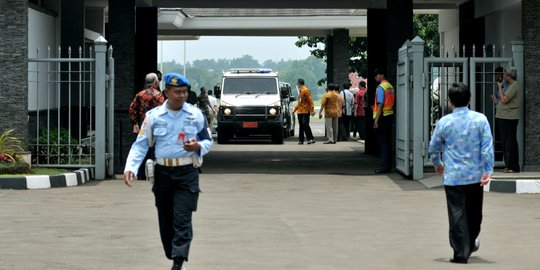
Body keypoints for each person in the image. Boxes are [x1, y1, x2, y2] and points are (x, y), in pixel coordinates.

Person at [123, 72, 214, 270]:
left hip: (187, 173)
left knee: (183, 217)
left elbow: (208, 141)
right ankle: (172, 252)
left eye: (184, 92)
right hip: (163, 173)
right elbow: (140, 145)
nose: (182, 96)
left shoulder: (195, 114)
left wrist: (197, 146)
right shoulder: (153, 117)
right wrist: (131, 167)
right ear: (166, 92)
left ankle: (179, 259)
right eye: (177, 92)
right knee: (166, 220)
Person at [429, 82, 493, 264]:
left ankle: (461, 250)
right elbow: (487, 147)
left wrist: (437, 163)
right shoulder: (481, 120)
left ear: (450, 102)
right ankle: (466, 246)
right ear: (469, 99)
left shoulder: (444, 122)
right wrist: (488, 170)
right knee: (475, 215)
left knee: (457, 215)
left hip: (453, 178)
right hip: (475, 176)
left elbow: (433, 147)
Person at [128, 72, 165, 180]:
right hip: (156, 128)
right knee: (155, 151)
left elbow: (132, 109)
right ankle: (154, 173)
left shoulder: (140, 95)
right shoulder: (159, 95)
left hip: (142, 127)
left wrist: (135, 123)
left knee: (141, 149)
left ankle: (141, 174)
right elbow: (163, 111)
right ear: (155, 82)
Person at [490, 67, 521, 173]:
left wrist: (499, 88)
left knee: (509, 143)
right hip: (504, 117)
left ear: (509, 76)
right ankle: (509, 166)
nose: (503, 77)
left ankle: (512, 166)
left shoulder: (514, 86)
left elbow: (505, 100)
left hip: (508, 118)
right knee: (507, 142)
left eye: (505, 75)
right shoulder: (511, 86)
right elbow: (503, 99)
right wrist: (497, 100)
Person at [373, 69, 395, 174]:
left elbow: (380, 104)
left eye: (376, 75)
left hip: (382, 117)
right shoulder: (390, 86)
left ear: (381, 75)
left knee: (383, 144)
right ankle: (388, 165)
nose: (375, 77)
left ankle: (384, 167)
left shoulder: (381, 87)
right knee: (388, 142)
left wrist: (376, 120)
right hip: (389, 115)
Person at [292, 79, 316, 144]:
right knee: (301, 126)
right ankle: (301, 140)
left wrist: (312, 110)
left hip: (305, 111)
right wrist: (294, 110)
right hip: (300, 112)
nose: (297, 85)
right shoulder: (300, 91)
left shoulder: (306, 90)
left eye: (297, 83)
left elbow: (310, 101)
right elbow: (299, 103)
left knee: (305, 125)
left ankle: (310, 139)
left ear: (300, 83)